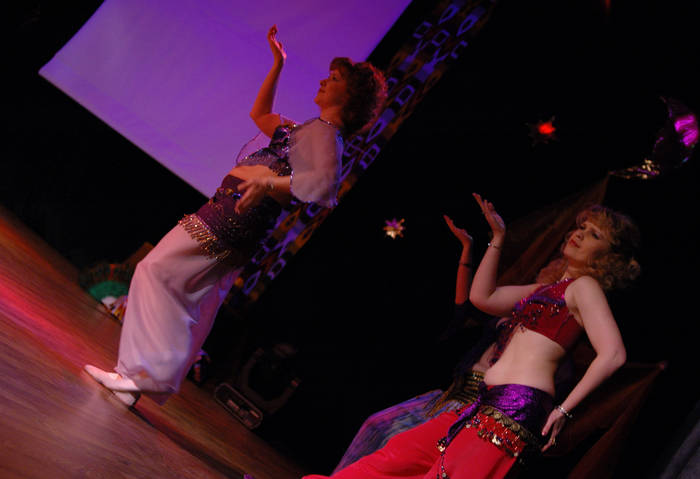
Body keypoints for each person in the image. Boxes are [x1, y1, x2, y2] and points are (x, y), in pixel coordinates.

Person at [84, 25, 387, 407]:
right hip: (233, 217)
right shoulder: (306, 131)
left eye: (336, 79)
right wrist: (278, 65)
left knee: (154, 272)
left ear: (351, 97)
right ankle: (140, 378)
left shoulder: (326, 132)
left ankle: (138, 376)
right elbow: (260, 114)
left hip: (233, 218)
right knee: (178, 291)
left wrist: (267, 181)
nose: (325, 81)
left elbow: (322, 187)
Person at [298, 194, 640, 479]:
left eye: (594, 235)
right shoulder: (546, 289)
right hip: (482, 402)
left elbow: (613, 354)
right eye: (581, 227)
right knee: (393, 458)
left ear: (608, 257)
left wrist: (564, 411)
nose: (580, 234)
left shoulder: (585, 286)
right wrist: (498, 238)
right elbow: (482, 298)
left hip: (515, 409)